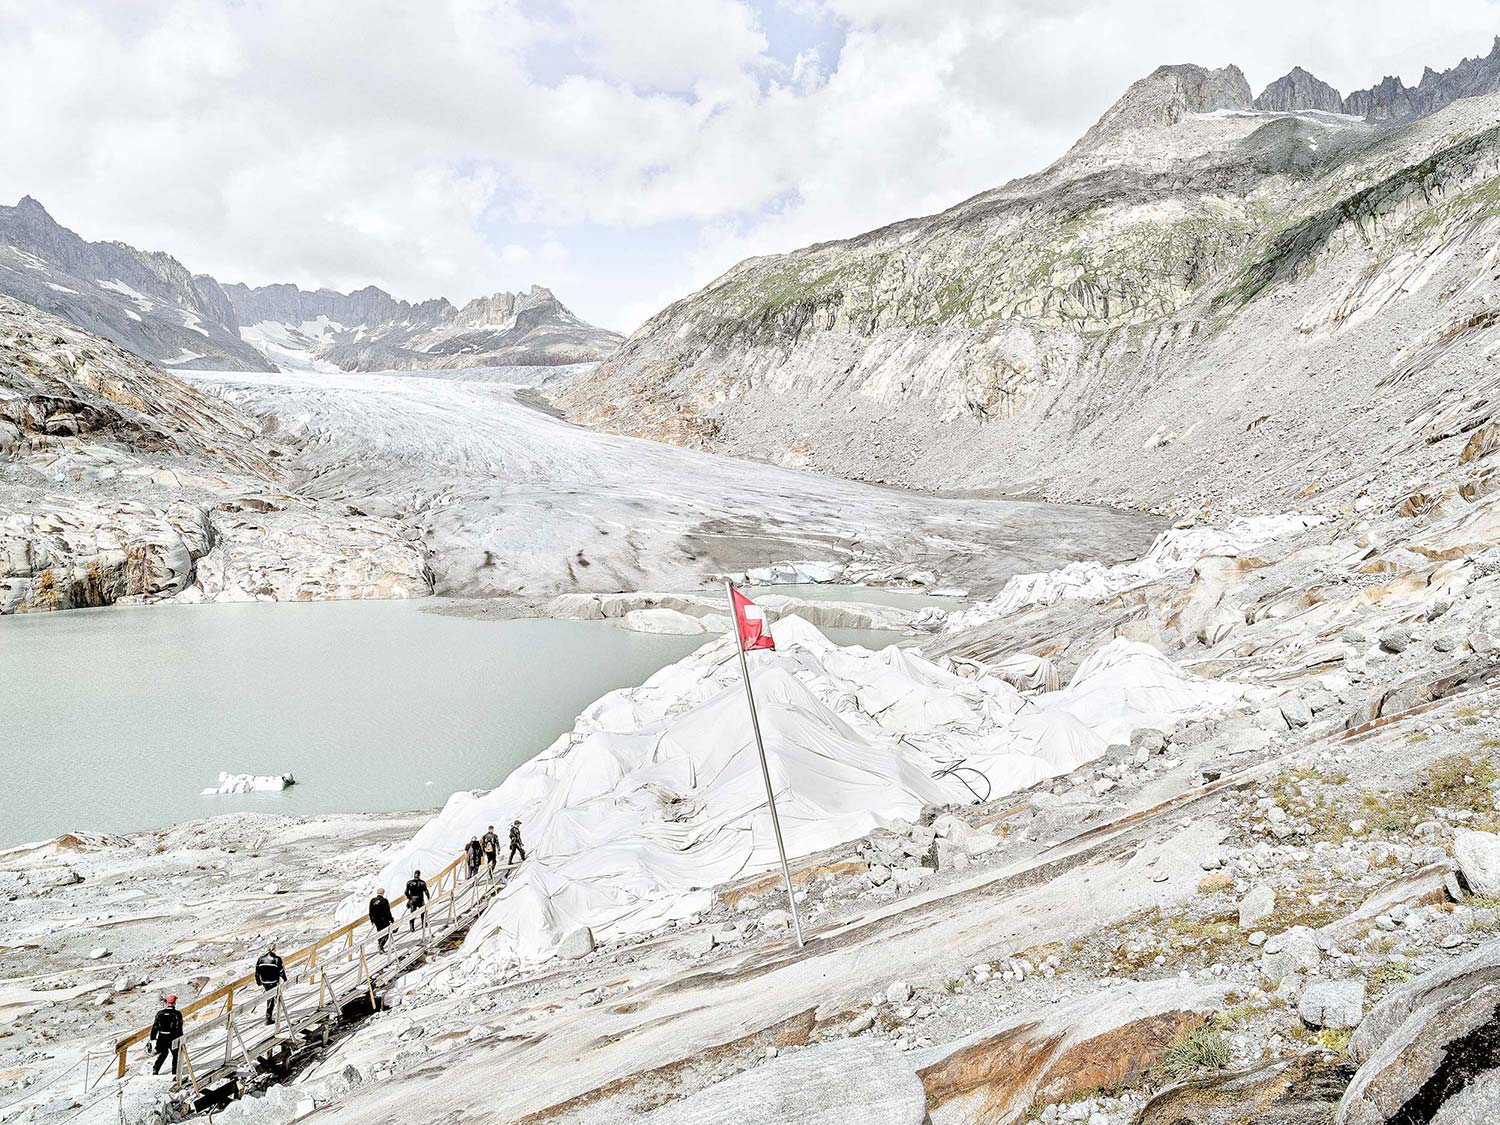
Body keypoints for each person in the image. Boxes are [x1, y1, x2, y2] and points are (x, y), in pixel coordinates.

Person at [149, 995, 183, 1075]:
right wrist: (180, 1037)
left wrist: (153, 1038)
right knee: (175, 1055)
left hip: (161, 1037)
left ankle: (156, 1068)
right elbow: (178, 1027)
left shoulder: (160, 1013)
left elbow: (155, 1026)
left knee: (164, 1053)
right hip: (172, 1037)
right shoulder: (177, 1013)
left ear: (167, 1003)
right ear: (174, 1003)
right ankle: (175, 1072)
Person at [255, 943, 287, 1026]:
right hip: (273, 981)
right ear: (274, 949)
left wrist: (258, 982)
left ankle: (269, 1016)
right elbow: (281, 971)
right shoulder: (277, 959)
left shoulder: (260, 959)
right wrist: (285, 979)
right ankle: (268, 1018)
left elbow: (257, 972)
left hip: (264, 981)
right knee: (272, 998)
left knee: (270, 997)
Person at [369, 888, 394, 953]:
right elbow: (387, 911)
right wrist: (391, 919)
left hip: (376, 920)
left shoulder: (372, 900)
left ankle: (380, 947)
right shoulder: (384, 900)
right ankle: (381, 945)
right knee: (387, 932)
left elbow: (370, 911)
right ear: (383, 893)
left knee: (379, 932)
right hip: (384, 919)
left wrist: (372, 920)